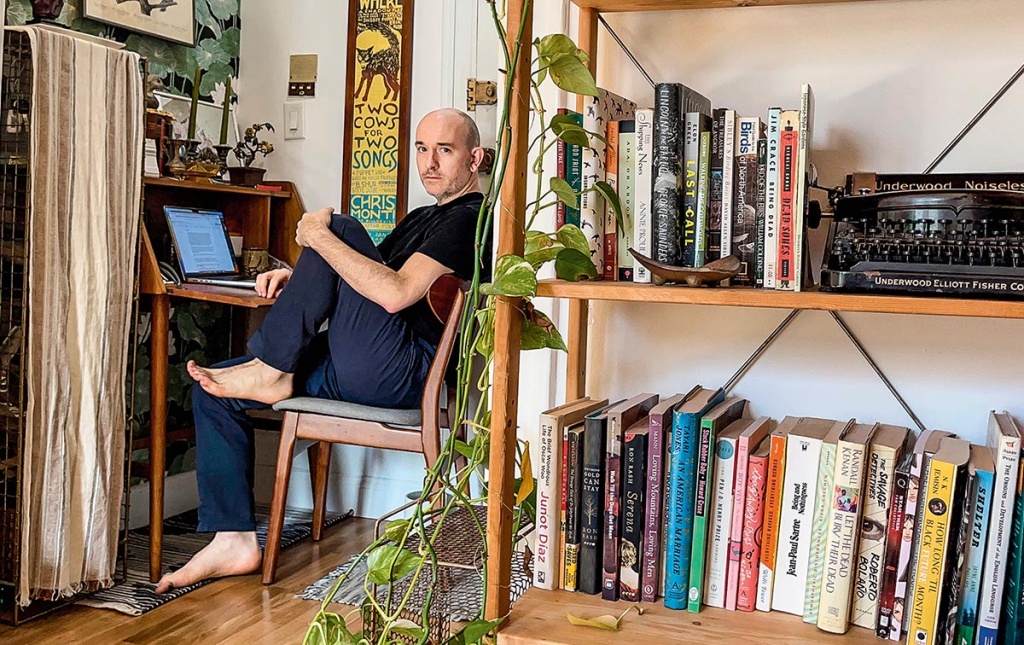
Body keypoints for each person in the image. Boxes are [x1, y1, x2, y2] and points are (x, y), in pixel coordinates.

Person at [154, 108, 489, 594]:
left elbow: (393, 294)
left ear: (474, 157)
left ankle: (271, 369)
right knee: (215, 387)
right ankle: (234, 541)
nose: (429, 162)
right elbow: (358, 275)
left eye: (445, 149)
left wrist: (315, 238)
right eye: (421, 148)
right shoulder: (422, 217)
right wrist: (301, 278)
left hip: (401, 371)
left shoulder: (468, 219)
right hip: (362, 360)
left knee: (342, 229)